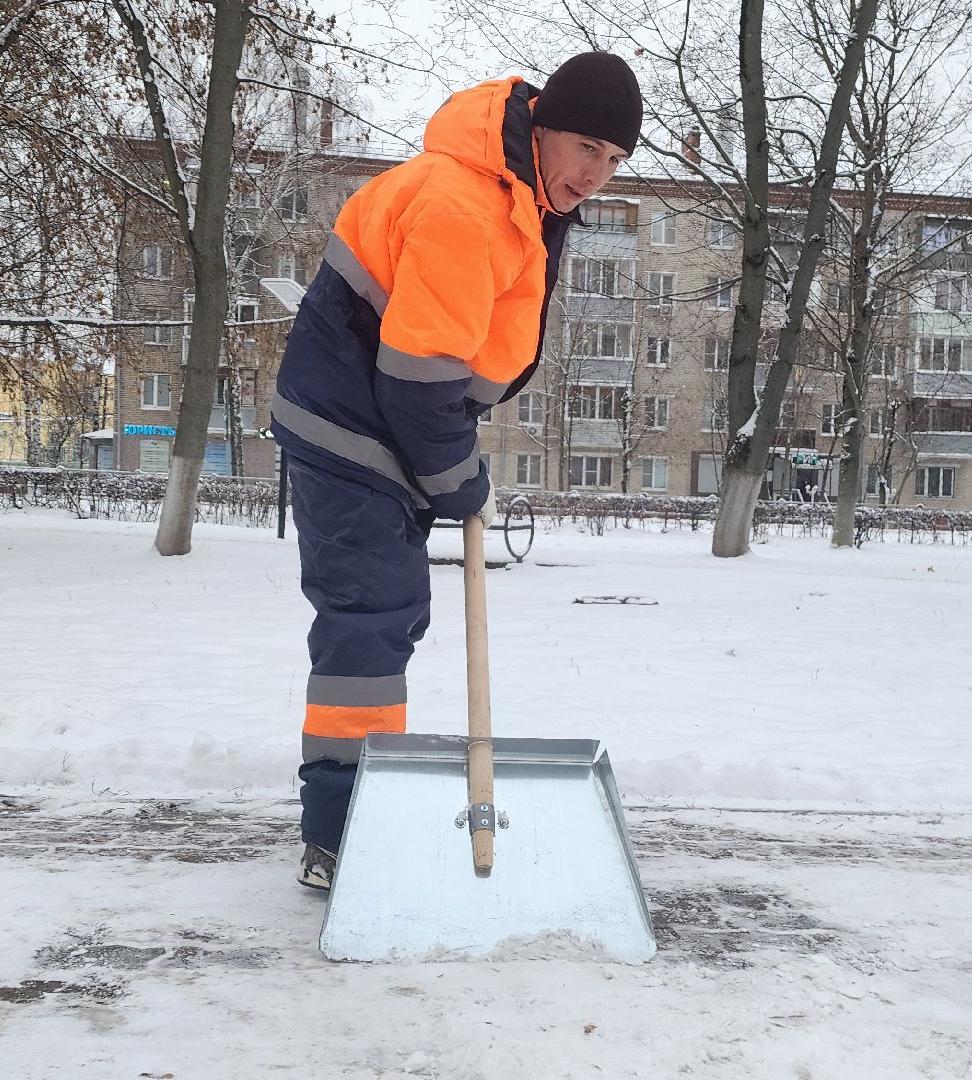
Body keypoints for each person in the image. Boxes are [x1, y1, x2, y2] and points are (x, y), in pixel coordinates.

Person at [271, 52, 642, 890]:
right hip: (353, 431)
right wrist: (458, 479)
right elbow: (418, 377)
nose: (598, 173)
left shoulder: (517, 200)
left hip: (378, 433)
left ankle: (353, 812)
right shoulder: (464, 204)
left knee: (383, 618)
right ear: (540, 124)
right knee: (368, 621)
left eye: (615, 159)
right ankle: (339, 834)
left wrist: (447, 456)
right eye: (588, 146)